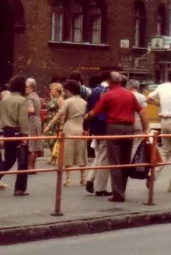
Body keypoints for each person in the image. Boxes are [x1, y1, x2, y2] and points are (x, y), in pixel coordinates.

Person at [84, 72, 149, 203]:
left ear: (109, 82)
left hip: (114, 128)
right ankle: (122, 190)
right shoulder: (129, 95)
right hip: (129, 129)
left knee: (114, 161)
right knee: (125, 161)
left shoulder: (108, 95)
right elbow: (142, 112)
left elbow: (94, 112)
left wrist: (86, 118)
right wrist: (146, 129)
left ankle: (118, 194)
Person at [0, 76, 30, 196]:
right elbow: (23, 119)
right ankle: (19, 188)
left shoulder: (4, 99)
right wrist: (24, 135)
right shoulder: (22, 100)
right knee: (23, 161)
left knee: (9, 159)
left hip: (6, 131)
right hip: (18, 131)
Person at [147, 67, 171, 192]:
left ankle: (153, 174)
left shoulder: (161, 87)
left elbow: (148, 98)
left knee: (165, 152)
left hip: (163, 121)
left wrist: (159, 104)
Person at [44, 80, 89, 187]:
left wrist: (49, 125)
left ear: (69, 91)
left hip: (69, 127)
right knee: (81, 153)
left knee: (68, 153)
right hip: (81, 127)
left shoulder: (68, 101)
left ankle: (68, 179)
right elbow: (87, 117)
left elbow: (59, 114)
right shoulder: (84, 102)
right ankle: (83, 178)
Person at [84, 75, 110, 196]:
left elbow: (88, 110)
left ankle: (91, 178)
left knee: (99, 155)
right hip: (105, 127)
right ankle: (99, 186)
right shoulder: (108, 92)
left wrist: (86, 127)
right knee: (103, 156)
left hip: (95, 127)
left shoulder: (93, 91)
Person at [25, 78, 43, 171]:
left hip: (31, 120)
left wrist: (23, 112)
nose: (25, 88)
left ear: (32, 87)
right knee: (35, 144)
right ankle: (33, 166)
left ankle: (30, 166)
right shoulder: (36, 96)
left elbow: (31, 110)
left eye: (27, 86)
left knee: (31, 144)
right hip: (37, 120)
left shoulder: (29, 97)